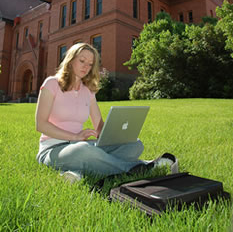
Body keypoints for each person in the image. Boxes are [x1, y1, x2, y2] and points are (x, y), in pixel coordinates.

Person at [35, 42, 176, 182]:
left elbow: (99, 126)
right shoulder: (51, 83)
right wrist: (75, 136)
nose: (86, 67)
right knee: (83, 150)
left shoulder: (87, 90)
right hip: (53, 149)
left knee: (134, 145)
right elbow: (41, 125)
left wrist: (115, 136)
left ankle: (77, 172)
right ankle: (141, 167)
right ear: (70, 60)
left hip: (80, 145)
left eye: (90, 64)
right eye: (82, 61)